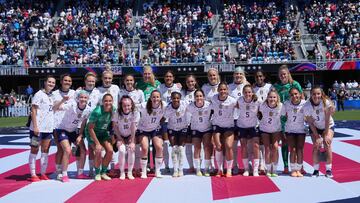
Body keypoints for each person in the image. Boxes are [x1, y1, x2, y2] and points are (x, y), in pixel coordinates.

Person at [53, 90, 90, 182]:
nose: (83, 99)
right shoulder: (71, 105)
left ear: (88, 99)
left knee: (83, 150)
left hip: (73, 131)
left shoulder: (88, 109)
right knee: (67, 150)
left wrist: (80, 135)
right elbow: (55, 108)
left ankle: (80, 173)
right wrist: (62, 100)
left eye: (85, 97)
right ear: (77, 98)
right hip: (62, 129)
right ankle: (64, 174)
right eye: (81, 97)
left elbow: (83, 124)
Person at [273, 65, 303, 174]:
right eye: (281, 75)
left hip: (295, 117)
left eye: (284, 74)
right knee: (285, 142)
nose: (283, 76)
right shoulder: (276, 86)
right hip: (282, 118)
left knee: (298, 144)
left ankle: (300, 166)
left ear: (288, 74)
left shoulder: (295, 84)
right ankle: (286, 166)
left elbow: (302, 98)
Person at [28, 76, 56, 182]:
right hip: (37, 128)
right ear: (45, 82)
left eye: (53, 83)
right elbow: (33, 110)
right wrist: (35, 126)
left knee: (45, 151)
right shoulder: (39, 94)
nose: (51, 84)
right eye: (49, 82)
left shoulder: (52, 96)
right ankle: (33, 174)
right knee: (34, 149)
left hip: (48, 129)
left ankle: (43, 173)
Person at [304, 86, 335, 178]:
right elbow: (310, 122)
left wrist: (325, 135)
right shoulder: (307, 106)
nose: (316, 96)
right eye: (314, 94)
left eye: (318, 94)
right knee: (316, 146)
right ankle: (316, 170)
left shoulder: (326, 103)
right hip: (315, 127)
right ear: (311, 95)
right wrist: (317, 136)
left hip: (328, 125)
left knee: (327, 143)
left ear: (321, 94)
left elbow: (327, 120)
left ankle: (328, 170)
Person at [118, 74, 145, 176]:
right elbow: (118, 107)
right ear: (124, 82)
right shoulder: (120, 93)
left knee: (135, 147)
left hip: (137, 122)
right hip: (124, 123)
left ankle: (137, 168)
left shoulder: (139, 92)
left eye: (131, 80)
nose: (129, 82)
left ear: (134, 81)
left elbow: (144, 106)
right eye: (127, 80)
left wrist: (135, 107)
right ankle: (123, 170)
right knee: (123, 149)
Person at [137, 90, 166, 178]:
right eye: (153, 97)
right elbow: (132, 108)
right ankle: (144, 171)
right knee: (145, 148)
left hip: (155, 128)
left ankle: (157, 171)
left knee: (159, 147)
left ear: (160, 98)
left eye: (157, 97)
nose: (155, 99)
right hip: (143, 129)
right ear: (150, 98)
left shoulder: (163, 105)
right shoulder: (144, 105)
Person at [85, 94, 115, 181]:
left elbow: (114, 123)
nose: (108, 103)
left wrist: (113, 135)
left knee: (110, 151)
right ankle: (97, 173)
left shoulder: (113, 109)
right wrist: (97, 143)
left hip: (103, 132)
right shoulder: (97, 111)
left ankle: (103, 172)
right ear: (102, 102)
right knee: (98, 150)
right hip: (92, 133)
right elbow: (90, 128)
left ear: (112, 102)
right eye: (106, 101)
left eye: (110, 101)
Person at [52, 74, 76, 180]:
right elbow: (53, 108)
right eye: (65, 80)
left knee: (68, 149)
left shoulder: (74, 93)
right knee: (62, 149)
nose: (67, 82)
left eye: (69, 81)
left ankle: (64, 169)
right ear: (61, 81)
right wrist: (62, 101)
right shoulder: (54, 94)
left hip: (71, 126)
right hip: (58, 125)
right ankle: (59, 171)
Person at [211, 82, 237, 177]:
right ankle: (220, 169)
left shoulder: (233, 101)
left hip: (229, 126)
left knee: (229, 146)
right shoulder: (213, 98)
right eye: (221, 89)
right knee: (218, 146)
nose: (223, 91)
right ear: (218, 90)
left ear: (228, 90)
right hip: (217, 126)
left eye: (224, 89)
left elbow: (243, 105)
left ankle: (229, 169)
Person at [159, 70, 182, 174]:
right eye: (166, 76)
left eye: (170, 76)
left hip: (175, 119)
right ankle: (167, 166)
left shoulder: (177, 87)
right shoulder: (160, 88)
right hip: (164, 118)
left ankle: (176, 166)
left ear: (173, 78)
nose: (168, 78)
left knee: (176, 145)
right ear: (164, 78)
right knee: (165, 143)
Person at [98, 68, 120, 174]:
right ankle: (104, 168)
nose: (107, 80)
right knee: (103, 146)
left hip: (114, 121)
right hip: (102, 122)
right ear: (102, 78)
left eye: (109, 78)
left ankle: (112, 168)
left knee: (112, 144)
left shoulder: (116, 88)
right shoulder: (97, 90)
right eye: (105, 78)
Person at [112, 95, 139, 180]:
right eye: (124, 105)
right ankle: (122, 172)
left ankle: (130, 172)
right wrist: (119, 138)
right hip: (120, 134)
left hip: (131, 134)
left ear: (131, 105)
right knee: (122, 150)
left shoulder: (135, 113)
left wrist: (132, 141)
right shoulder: (117, 112)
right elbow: (115, 126)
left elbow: (133, 127)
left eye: (128, 105)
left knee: (131, 149)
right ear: (121, 105)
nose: (126, 107)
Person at [186, 89, 213, 176]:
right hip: (195, 129)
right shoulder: (190, 106)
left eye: (200, 96)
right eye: (197, 96)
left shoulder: (209, 105)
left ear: (204, 97)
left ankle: (206, 169)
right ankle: (198, 169)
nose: (199, 98)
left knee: (207, 148)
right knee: (197, 148)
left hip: (207, 128)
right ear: (194, 97)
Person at [281, 88, 306, 177]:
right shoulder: (286, 104)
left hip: (301, 130)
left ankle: (298, 169)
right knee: (293, 149)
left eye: (296, 94)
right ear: (289, 96)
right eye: (292, 95)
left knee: (300, 149)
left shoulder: (304, 103)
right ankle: (293, 169)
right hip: (290, 129)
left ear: (299, 94)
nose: (294, 96)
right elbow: (282, 115)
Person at [236, 84, 261, 176]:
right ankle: (246, 169)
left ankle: (255, 169)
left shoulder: (257, 101)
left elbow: (262, 110)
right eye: (245, 92)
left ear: (252, 92)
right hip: (242, 125)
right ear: (242, 93)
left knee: (256, 146)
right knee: (243, 147)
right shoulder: (239, 100)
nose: (247, 94)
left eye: (249, 92)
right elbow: (236, 107)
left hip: (254, 125)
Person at [229, 67, 249, 174]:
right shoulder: (229, 87)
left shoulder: (247, 86)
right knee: (234, 145)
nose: (238, 76)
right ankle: (235, 165)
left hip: (245, 120)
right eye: (236, 74)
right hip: (233, 119)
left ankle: (247, 165)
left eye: (240, 74)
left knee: (246, 144)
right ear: (233, 75)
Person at [80, 72, 101, 177]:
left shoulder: (98, 92)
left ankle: (92, 170)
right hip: (80, 123)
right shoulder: (79, 92)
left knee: (92, 147)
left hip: (92, 124)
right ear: (85, 81)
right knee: (79, 149)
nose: (91, 83)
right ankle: (78, 171)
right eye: (89, 81)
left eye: (93, 81)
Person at [164, 92, 190, 177]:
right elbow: (163, 118)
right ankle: (175, 170)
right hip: (172, 128)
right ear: (171, 99)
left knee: (181, 148)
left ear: (180, 98)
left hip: (183, 128)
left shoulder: (185, 104)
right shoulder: (168, 108)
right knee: (174, 148)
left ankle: (181, 169)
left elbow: (194, 107)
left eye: (177, 98)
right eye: (174, 98)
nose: (176, 100)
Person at [259, 89, 283, 177]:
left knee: (275, 147)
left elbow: (286, 115)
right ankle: (268, 169)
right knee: (267, 148)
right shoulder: (263, 105)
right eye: (270, 97)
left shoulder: (281, 106)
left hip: (276, 129)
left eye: (274, 97)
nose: (272, 99)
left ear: (277, 98)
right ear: (267, 98)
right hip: (265, 129)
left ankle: (275, 169)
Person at [253, 70, 272, 173]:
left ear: (264, 76)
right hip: (256, 118)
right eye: (256, 76)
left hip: (268, 117)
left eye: (260, 76)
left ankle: (266, 163)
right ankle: (261, 163)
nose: (259, 78)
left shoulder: (269, 87)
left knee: (266, 143)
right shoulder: (253, 88)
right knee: (259, 142)